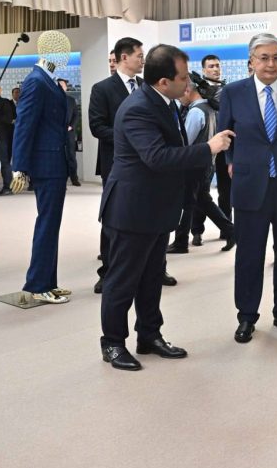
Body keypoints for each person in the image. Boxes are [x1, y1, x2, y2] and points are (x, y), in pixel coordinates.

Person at [99, 44, 233, 371]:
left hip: (156, 208)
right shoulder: (138, 108)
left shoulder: (164, 102)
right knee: (122, 282)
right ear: (163, 81)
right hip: (132, 210)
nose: (189, 83)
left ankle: (149, 335)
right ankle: (113, 343)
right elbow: (157, 157)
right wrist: (208, 148)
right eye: (183, 77)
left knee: (151, 278)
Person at [218, 33, 277, 344]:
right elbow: (225, 134)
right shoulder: (233, 93)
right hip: (249, 185)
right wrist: (235, 161)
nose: (271, 64)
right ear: (251, 61)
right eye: (264, 57)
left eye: (276, 57)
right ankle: (246, 316)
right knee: (249, 255)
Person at [90, 38, 176, 293]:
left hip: (151, 165)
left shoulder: (146, 87)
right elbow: (97, 127)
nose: (143, 60)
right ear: (124, 57)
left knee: (154, 216)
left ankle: (157, 268)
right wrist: (132, 138)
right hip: (119, 164)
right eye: (139, 55)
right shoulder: (102, 89)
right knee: (115, 220)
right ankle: (108, 271)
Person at [11, 32, 72, 304]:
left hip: (54, 162)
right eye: (60, 49)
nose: (65, 54)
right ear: (47, 50)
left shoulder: (47, 79)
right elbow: (25, 125)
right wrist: (19, 166)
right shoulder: (36, 81)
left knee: (51, 224)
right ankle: (37, 284)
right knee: (47, 224)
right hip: (46, 164)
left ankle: (49, 281)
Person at [167, 77, 234, 253]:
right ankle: (183, 241)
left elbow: (186, 142)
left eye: (180, 94)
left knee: (192, 202)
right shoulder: (209, 108)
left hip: (194, 165)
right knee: (196, 201)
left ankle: (182, 242)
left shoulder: (196, 112)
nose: (179, 98)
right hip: (206, 164)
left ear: (188, 90)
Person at [192, 54, 232, 244]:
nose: (215, 69)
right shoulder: (197, 88)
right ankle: (196, 231)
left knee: (226, 191)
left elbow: (222, 108)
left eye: (217, 65)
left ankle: (227, 230)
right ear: (204, 69)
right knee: (201, 191)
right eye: (211, 66)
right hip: (205, 147)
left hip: (225, 145)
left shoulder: (228, 90)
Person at [57, 79, 80, 186]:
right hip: (56, 133)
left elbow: (76, 115)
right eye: (59, 86)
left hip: (69, 132)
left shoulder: (71, 100)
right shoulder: (51, 100)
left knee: (71, 156)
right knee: (58, 157)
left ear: (66, 88)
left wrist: (71, 126)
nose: (61, 87)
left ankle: (74, 178)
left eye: (63, 86)